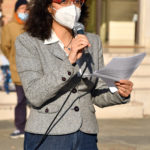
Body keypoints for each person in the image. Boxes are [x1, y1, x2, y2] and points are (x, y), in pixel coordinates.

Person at [15, 0, 133, 149]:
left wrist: (120, 93)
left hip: (86, 134)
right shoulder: (28, 42)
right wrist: (69, 62)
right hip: (48, 134)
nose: (72, 7)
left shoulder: (93, 42)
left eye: (77, 1)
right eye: (63, 1)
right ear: (48, 7)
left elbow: (97, 93)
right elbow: (34, 94)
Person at [1, 0, 28, 138]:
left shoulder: (32, 26)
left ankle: (36, 128)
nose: (25, 11)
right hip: (18, 70)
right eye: (22, 8)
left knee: (38, 101)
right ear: (16, 10)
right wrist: (13, 58)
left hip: (35, 70)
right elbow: (5, 46)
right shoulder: (10, 27)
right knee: (21, 101)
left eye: (27, 9)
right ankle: (20, 127)